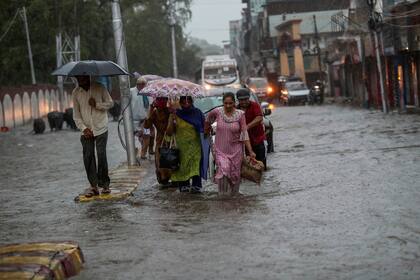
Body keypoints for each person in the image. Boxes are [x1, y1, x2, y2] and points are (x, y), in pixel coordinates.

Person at [205, 92, 256, 195]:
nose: (228, 106)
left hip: (236, 151)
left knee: (235, 175)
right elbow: (208, 119)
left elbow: (244, 133)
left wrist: (250, 151)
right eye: (226, 103)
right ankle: (222, 196)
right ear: (223, 103)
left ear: (234, 103)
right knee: (224, 170)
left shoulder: (240, 114)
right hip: (220, 150)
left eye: (230, 103)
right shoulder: (217, 112)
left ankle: (234, 196)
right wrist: (207, 127)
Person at [72, 75, 114, 197]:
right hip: (86, 130)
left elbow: (110, 103)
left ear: (88, 77)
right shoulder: (76, 93)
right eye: (78, 79)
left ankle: (105, 184)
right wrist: (84, 128)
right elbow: (76, 115)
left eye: (83, 78)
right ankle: (93, 186)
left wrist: (97, 104)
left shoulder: (100, 87)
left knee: (101, 155)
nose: (80, 81)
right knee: (88, 156)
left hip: (101, 127)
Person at [166, 96, 209, 193]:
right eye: (184, 101)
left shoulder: (198, 113)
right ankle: (184, 185)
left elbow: (204, 127)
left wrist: (207, 130)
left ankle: (196, 185)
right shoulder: (175, 114)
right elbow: (169, 132)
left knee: (195, 165)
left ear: (191, 101)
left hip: (196, 146)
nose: (186, 103)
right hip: (181, 148)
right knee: (183, 166)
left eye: (188, 101)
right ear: (180, 103)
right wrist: (172, 120)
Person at [236, 88, 267, 169]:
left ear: (249, 98)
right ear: (238, 100)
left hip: (258, 139)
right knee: (249, 165)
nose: (244, 102)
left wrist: (247, 126)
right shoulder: (235, 109)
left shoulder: (255, 105)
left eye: (246, 99)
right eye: (241, 100)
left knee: (261, 163)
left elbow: (259, 118)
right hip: (245, 142)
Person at [144, 97, 171, 185]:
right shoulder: (154, 113)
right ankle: (163, 179)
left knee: (171, 158)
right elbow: (147, 125)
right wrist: (150, 111)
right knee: (160, 161)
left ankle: (169, 178)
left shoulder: (170, 112)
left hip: (170, 140)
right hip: (161, 140)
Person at [130, 77, 154, 159]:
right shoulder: (131, 92)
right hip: (133, 120)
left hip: (145, 120)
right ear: (138, 84)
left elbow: (151, 105)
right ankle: (133, 152)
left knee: (147, 135)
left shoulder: (148, 93)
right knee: (134, 136)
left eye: (145, 85)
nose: (144, 87)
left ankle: (143, 154)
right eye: (142, 85)